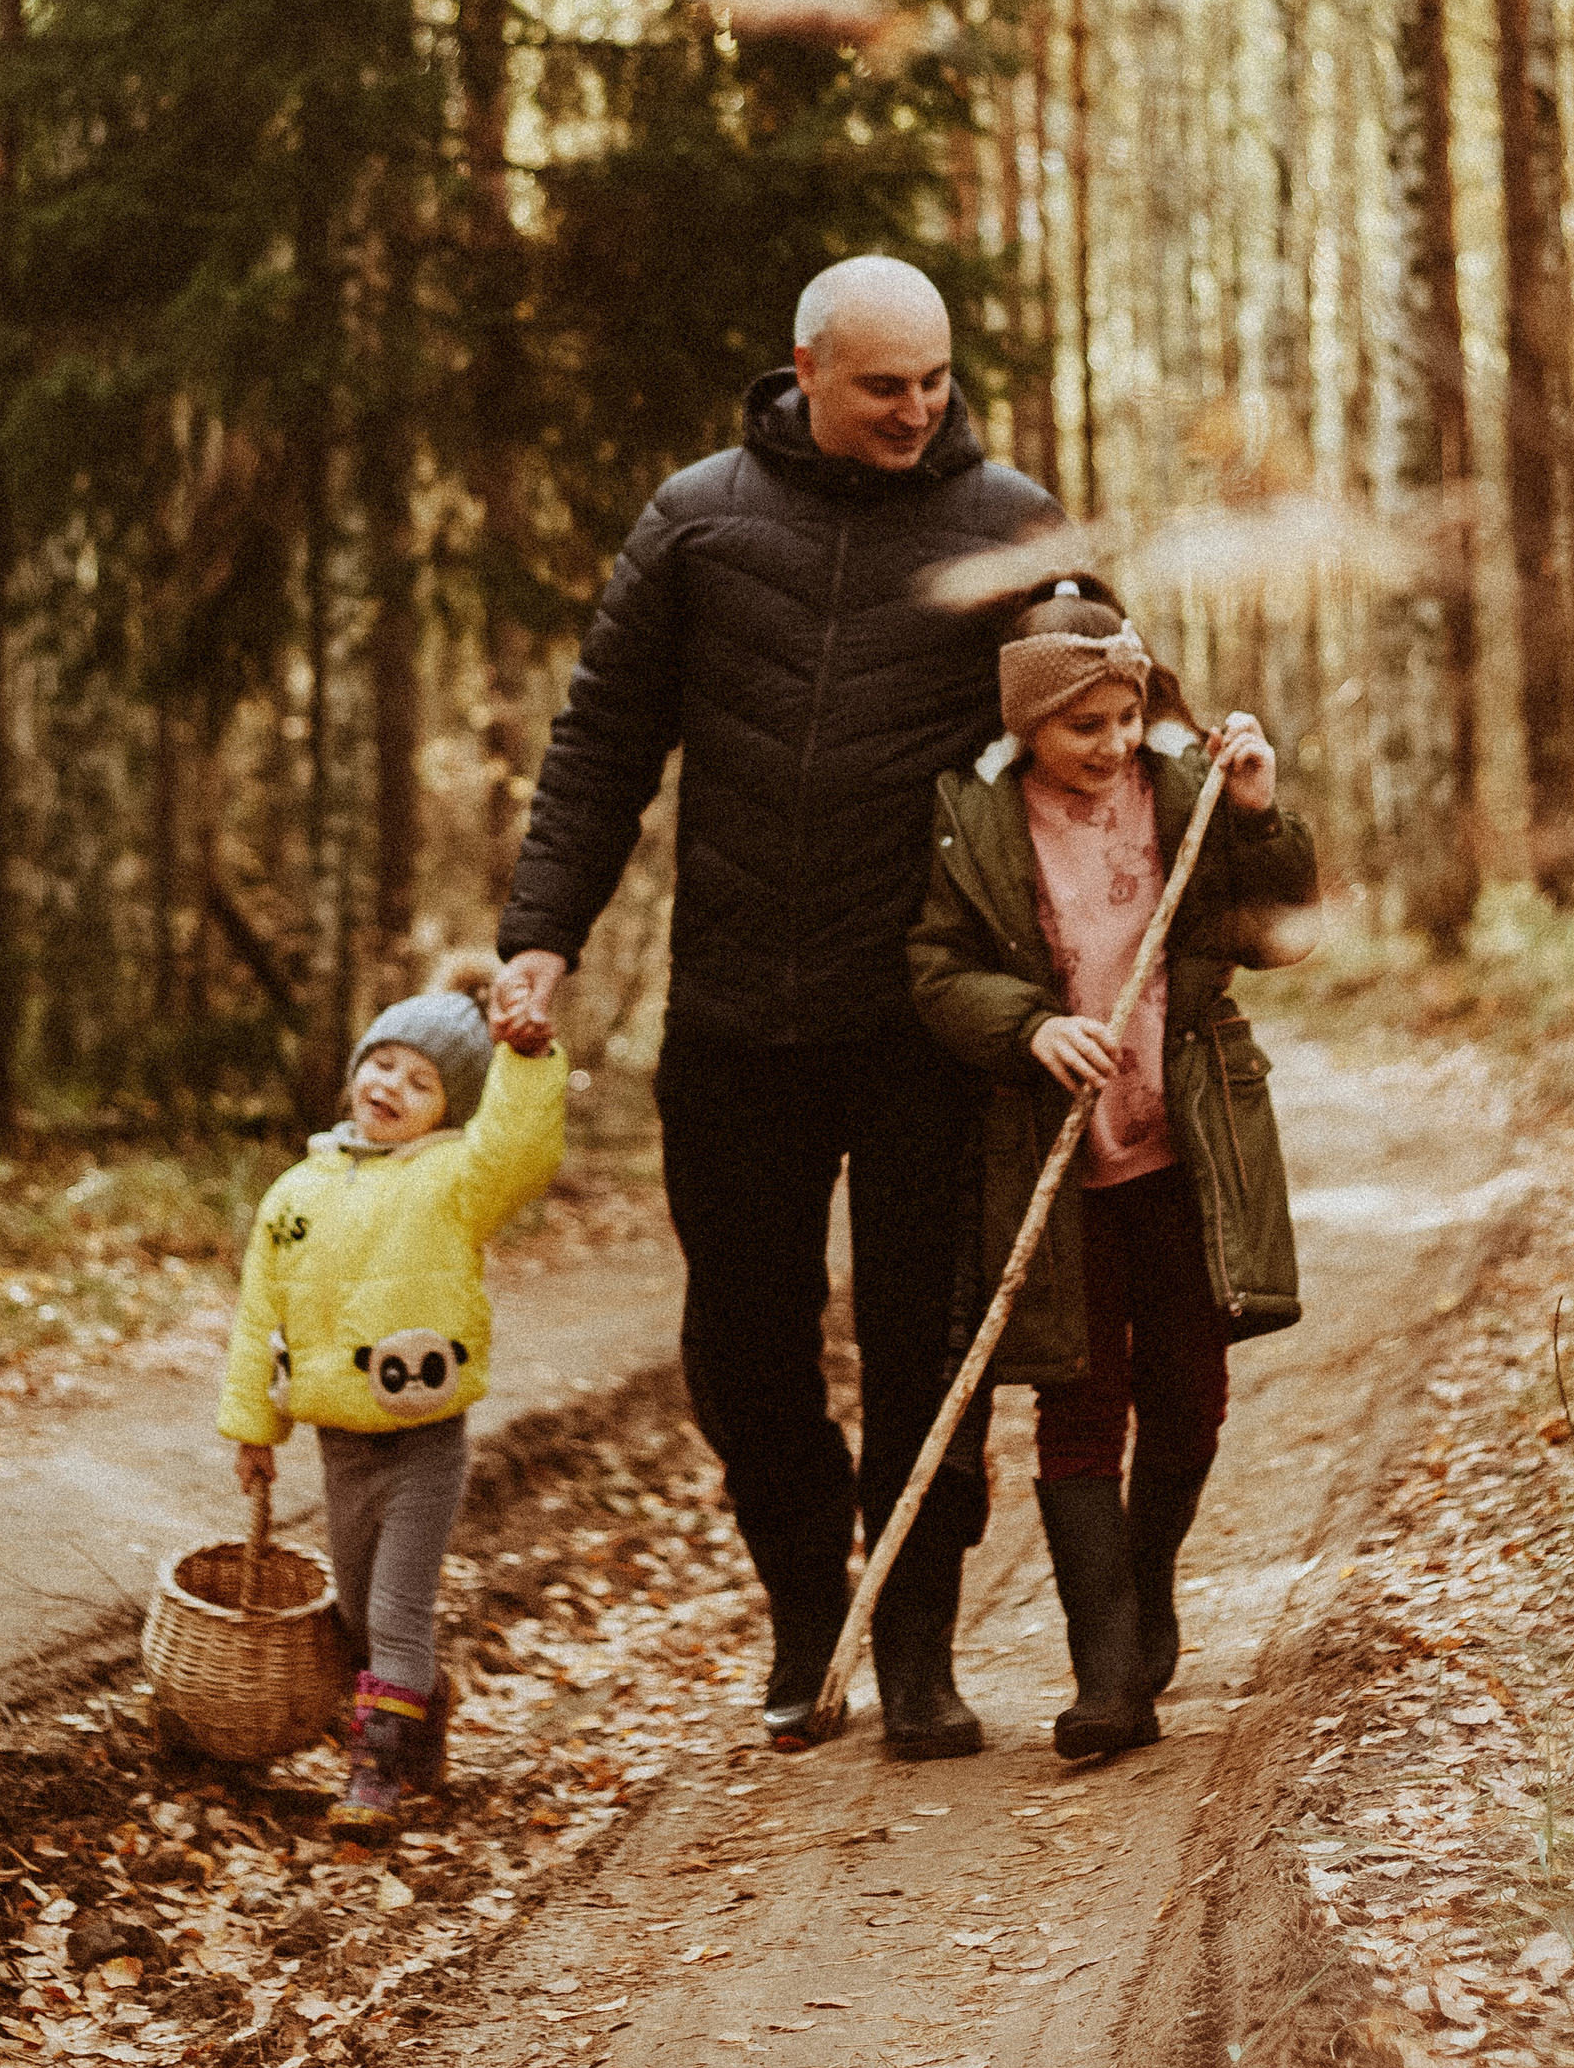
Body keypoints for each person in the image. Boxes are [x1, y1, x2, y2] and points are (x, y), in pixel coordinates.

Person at [490, 255, 1063, 1758]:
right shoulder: (697, 520)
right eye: (884, 387)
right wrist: (542, 937)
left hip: (925, 1015)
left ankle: (918, 1647)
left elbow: (1094, 734)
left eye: (935, 383)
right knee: (744, 1350)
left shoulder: (1007, 521)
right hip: (738, 1014)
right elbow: (602, 740)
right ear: (804, 371)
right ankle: (811, 1608)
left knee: (926, 1343)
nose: (917, 412)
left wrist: (1211, 790)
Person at [907, 587, 1317, 1762]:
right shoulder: (975, 819)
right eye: (1082, 726)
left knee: (1186, 1392)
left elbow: (1274, 930)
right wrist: (1028, 1025)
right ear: (1027, 724)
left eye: (1125, 717)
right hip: (1055, 1156)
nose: (1111, 743)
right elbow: (935, 967)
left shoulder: (1182, 794)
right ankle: (1107, 1676)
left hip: (1182, 1142)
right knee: (1078, 1397)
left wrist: (1256, 811)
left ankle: (1143, 1589)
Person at [218, 969, 565, 1831]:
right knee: (355, 1617)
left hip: (424, 1441)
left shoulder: (455, 1179)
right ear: (356, 1069)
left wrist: (525, 1062)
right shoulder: (296, 1193)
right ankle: (424, 1709)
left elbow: (518, 1149)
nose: (392, 1088)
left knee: (396, 1611)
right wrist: (255, 1429)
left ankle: (374, 1771)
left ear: (448, 1112)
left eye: (422, 1082)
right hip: (341, 1441)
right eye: (383, 1065)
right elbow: (260, 1317)